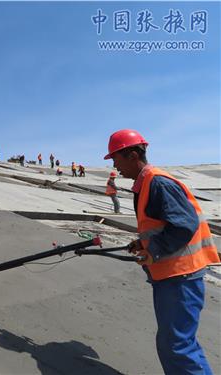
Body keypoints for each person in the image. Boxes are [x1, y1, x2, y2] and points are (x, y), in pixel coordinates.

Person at [104, 129, 219, 375]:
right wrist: (143, 244)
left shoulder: (158, 183)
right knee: (177, 343)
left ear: (133, 155)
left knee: (177, 345)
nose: (115, 165)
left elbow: (183, 225)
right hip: (173, 276)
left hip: (181, 276)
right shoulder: (147, 183)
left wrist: (153, 251)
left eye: (116, 159)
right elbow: (163, 226)